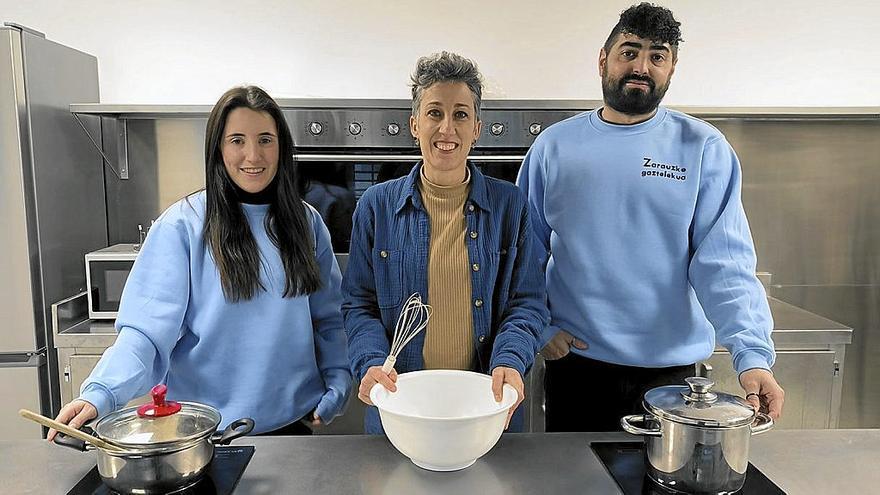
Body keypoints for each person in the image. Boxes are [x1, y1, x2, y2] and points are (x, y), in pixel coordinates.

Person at [517, 3, 785, 432]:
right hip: (577, 366)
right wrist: (541, 326)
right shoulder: (554, 147)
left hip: (675, 377)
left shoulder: (703, 148)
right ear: (603, 59)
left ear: (672, 68)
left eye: (657, 55)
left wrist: (752, 356)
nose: (641, 66)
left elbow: (725, 266)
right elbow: (523, 253)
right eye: (629, 51)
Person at [48, 86, 351, 439]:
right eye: (237, 140)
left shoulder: (307, 223)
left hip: (294, 427)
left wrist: (338, 376)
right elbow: (145, 336)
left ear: (281, 147)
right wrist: (101, 392)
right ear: (218, 149)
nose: (253, 155)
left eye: (265, 139)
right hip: (203, 435)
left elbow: (329, 320)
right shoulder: (182, 226)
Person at [343, 51, 548, 434]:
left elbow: (527, 303)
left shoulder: (510, 206)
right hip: (402, 404)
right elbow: (359, 304)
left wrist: (510, 358)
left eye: (461, 114)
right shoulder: (376, 206)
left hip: (485, 405)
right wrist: (370, 359)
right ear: (415, 124)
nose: (447, 129)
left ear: (477, 128)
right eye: (435, 113)